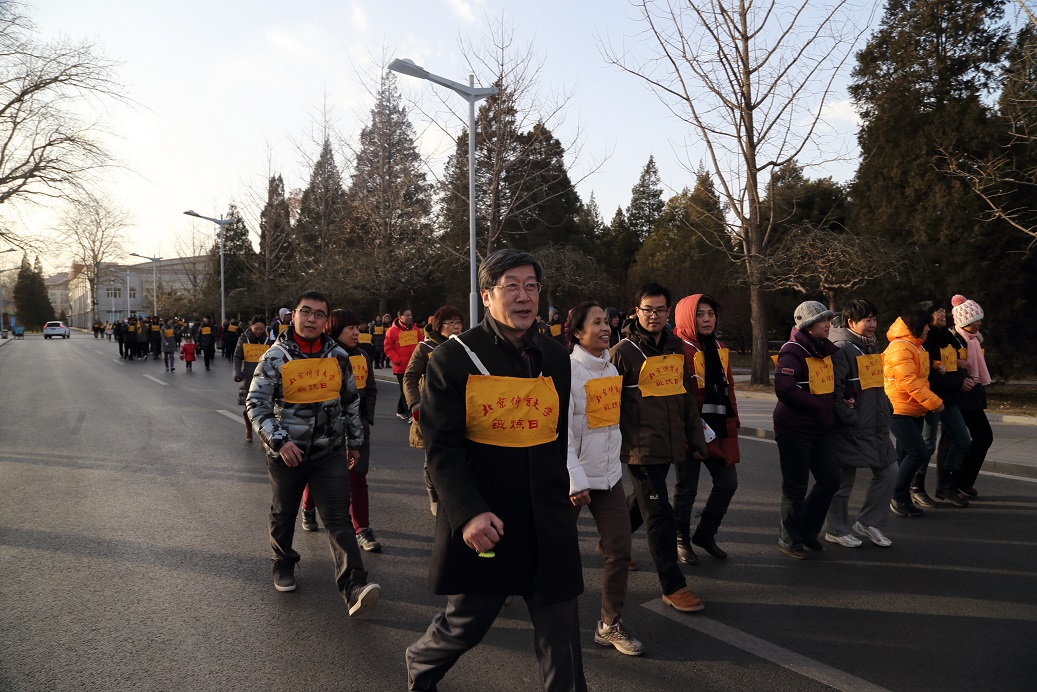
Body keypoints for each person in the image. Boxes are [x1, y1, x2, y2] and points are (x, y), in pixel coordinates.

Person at [405, 249, 586, 692]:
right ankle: (421, 661)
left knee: (562, 637)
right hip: (489, 518)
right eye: (511, 287)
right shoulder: (454, 358)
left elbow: (556, 434)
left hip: (547, 518)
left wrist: (572, 482)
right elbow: (442, 449)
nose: (524, 297)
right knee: (466, 624)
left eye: (531, 286)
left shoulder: (555, 356)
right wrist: (468, 513)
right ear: (486, 296)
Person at [246, 291, 380, 616]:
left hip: (328, 453)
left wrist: (354, 442)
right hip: (287, 455)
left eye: (319, 314)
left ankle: (353, 586)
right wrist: (280, 442)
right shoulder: (275, 357)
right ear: (293, 315)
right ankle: (283, 562)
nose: (311, 319)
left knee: (338, 517)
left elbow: (351, 402)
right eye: (305, 312)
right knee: (284, 512)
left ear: (326, 321)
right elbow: (256, 405)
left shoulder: (338, 356)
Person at [612, 282, 708, 611]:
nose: (654, 315)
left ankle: (611, 542)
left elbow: (685, 397)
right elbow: (608, 404)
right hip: (639, 447)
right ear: (636, 311)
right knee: (659, 513)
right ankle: (673, 585)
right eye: (648, 309)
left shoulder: (675, 348)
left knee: (642, 502)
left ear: (669, 312)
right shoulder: (622, 352)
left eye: (660, 310)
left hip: (669, 442)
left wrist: (695, 438)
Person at [565, 300, 645, 656]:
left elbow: (610, 425)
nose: (605, 327)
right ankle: (518, 587)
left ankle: (609, 624)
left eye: (606, 322)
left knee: (620, 548)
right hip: (574, 478)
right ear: (577, 332)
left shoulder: (611, 369)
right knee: (552, 546)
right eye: (595, 322)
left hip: (608, 476)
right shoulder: (567, 372)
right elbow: (560, 433)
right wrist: (573, 478)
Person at [300, 309, 382, 553]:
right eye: (350, 328)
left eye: (358, 327)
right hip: (328, 428)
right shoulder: (322, 357)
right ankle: (308, 508)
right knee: (318, 474)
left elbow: (371, 389)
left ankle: (362, 529)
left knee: (358, 476)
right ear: (335, 329)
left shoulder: (363, 356)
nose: (356, 332)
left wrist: (366, 418)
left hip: (358, 427)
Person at [823, 300, 898, 548]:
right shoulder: (842, 348)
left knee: (889, 472)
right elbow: (835, 390)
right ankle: (836, 529)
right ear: (851, 322)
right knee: (843, 483)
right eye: (867, 319)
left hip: (875, 426)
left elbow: (876, 384)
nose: (872, 324)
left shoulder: (869, 347)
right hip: (851, 427)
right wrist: (850, 417)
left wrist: (886, 406)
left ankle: (868, 522)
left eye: (874, 319)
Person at [672, 294, 740, 563]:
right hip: (688, 429)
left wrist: (734, 418)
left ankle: (706, 533)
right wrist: (687, 429)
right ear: (687, 317)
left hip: (718, 426)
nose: (707, 319)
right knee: (687, 488)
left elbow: (728, 386)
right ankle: (681, 540)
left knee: (728, 483)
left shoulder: (719, 347)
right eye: (699, 314)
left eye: (711, 313)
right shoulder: (676, 349)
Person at [773, 301, 841, 559]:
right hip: (793, 429)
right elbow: (784, 388)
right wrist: (818, 405)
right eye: (822, 320)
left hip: (819, 428)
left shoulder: (823, 349)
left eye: (829, 319)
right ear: (808, 326)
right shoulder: (792, 351)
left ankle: (807, 531)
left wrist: (846, 394)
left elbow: (828, 382)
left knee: (830, 480)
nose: (828, 324)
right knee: (795, 487)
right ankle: (789, 540)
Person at [403, 305, 464, 516]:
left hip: (459, 410)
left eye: (459, 323)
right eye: (451, 323)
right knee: (433, 458)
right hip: (431, 411)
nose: (456, 327)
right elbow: (410, 377)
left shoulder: (463, 346)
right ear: (438, 325)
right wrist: (415, 404)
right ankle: (434, 495)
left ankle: (456, 494)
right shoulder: (424, 348)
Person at [885, 305, 944, 518]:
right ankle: (897, 496)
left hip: (913, 409)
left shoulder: (915, 346)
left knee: (904, 456)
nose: (929, 328)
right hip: (899, 409)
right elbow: (909, 381)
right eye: (927, 325)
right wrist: (934, 402)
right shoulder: (901, 347)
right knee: (918, 453)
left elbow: (917, 370)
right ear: (917, 325)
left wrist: (935, 364)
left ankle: (902, 497)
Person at [914, 300, 972, 508]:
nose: (942, 314)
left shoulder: (948, 337)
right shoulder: (924, 341)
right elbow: (929, 374)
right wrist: (958, 382)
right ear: (926, 317)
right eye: (937, 311)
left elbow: (951, 365)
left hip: (949, 398)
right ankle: (916, 488)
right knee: (927, 445)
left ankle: (947, 486)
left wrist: (962, 377)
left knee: (963, 440)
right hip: (931, 399)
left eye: (943, 311)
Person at [945, 294, 993, 497]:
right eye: (977, 319)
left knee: (983, 437)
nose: (980, 323)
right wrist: (958, 366)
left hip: (973, 396)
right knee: (959, 441)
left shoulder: (974, 341)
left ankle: (964, 482)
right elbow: (942, 365)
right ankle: (951, 484)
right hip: (958, 398)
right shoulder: (953, 341)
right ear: (966, 321)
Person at [233, 315, 269, 442]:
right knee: (248, 406)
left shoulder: (268, 340)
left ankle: (263, 433)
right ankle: (249, 428)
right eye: (256, 328)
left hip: (265, 377)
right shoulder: (244, 338)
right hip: (248, 377)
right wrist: (237, 371)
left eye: (261, 329)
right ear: (251, 326)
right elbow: (237, 356)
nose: (259, 331)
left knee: (266, 407)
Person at [384, 307, 422, 421]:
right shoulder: (392, 331)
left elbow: (421, 345)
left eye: (411, 315)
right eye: (407, 315)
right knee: (406, 390)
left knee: (411, 389)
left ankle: (400, 410)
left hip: (414, 366)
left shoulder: (416, 330)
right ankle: (410, 414)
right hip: (401, 366)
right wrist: (397, 360)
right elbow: (387, 348)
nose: (410, 317)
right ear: (400, 317)